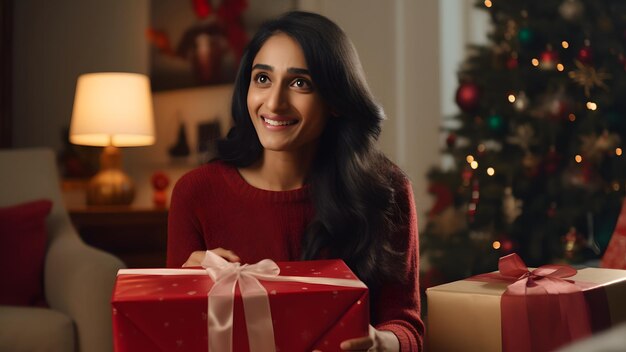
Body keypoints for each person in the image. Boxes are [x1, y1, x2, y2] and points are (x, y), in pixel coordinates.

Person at [167, 11, 424, 351]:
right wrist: (186, 290)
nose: (274, 103)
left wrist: (382, 344)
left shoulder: (385, 190)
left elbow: (406, 325)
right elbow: (176, 335)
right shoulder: (196, 192)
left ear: (334, 100)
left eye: (300, 83)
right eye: (262, 79)